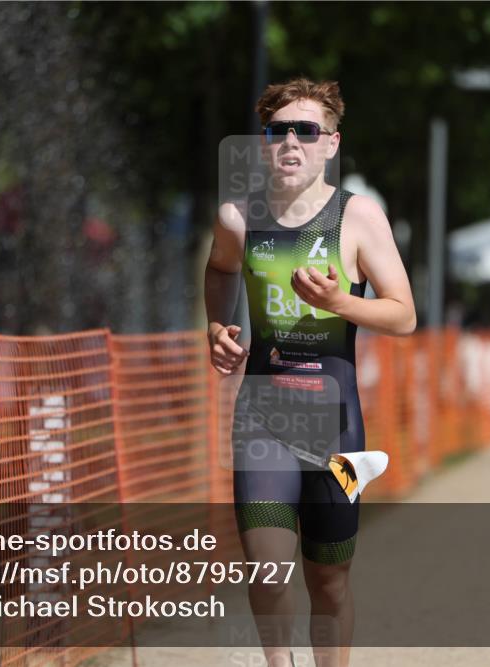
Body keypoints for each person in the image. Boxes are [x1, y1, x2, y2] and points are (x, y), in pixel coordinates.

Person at [204, 78, 416, 667]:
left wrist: (340, 303)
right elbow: (220, 271)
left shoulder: (359, 217)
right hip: (263, 416)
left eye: (307, 131)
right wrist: (218, 327)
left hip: (337, 426)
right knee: (269, 570)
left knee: (329, 581)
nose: (292, 142)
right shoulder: (237, 216)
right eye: (278, 132)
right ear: (263, 144)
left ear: (331, 144)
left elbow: (404, 316)